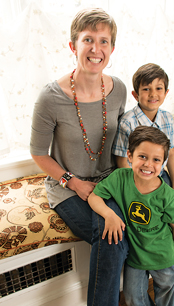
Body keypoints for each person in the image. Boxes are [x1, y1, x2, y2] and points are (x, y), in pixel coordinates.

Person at [30, 8, 128, 305]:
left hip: (109, 183)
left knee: (129, 231)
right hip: (67, 187)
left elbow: (123, 145)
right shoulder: (51, 97)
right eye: (88, 39)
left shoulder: (119, 89)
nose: (96, 49)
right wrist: (74, 182)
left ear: (112, 48)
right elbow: (37, 153)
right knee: (113, 238)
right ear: (73, 46)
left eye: (104, 41)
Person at [88, 126, 174, 306]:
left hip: (164, 256)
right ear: (130, 156)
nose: (148, 164)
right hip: (136, 258)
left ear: (163, 163)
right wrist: (109, 214)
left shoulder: (170, 197)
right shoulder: (119, 178)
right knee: (133, 297)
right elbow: (94, 196)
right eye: (142, 157)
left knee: (167, 291)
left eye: (156, 160)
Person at [112, 63, 174, 256]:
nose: (153, 94)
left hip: (160, 176)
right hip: (136, 179)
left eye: (158, 88)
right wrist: (136, 191)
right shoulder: (128, 122)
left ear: (166, 92)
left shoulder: (168, 119)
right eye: (146, 89)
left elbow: (170, 153)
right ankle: (146, 257)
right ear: (136, 95)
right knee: (146, 216)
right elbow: (122, 160)